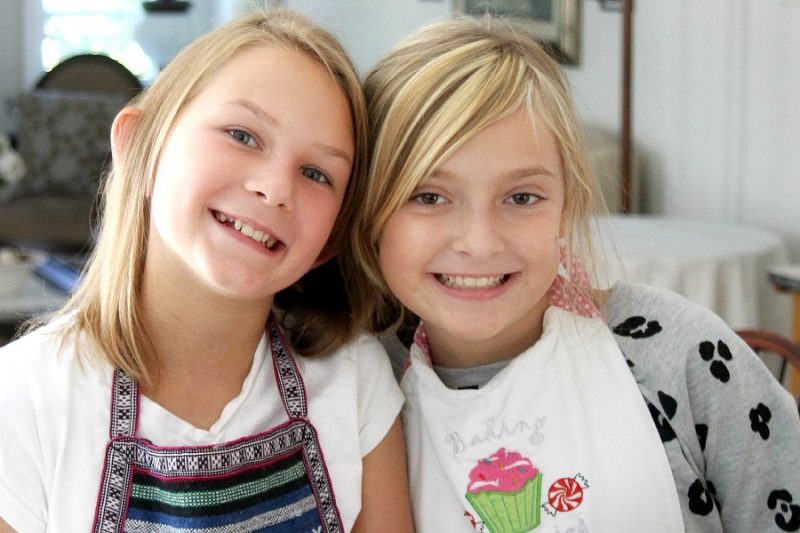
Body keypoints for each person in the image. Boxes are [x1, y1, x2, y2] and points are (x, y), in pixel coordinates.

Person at [347, 16, 800, 533]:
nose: (480, 241)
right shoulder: (359, 388)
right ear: (370, 210)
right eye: (428, 196)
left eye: (522, 197)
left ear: (567, 204)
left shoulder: (681, 355)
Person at [0, 8, 413, 532]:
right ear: (139, 148)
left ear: (330, 237)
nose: (275, 188)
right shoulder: (20, 400)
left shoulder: (355, 380)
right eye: (243, 135)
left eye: (316, 173)